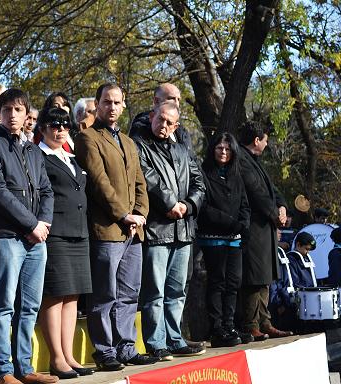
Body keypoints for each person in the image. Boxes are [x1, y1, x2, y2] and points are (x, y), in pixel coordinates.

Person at [0, 89, 57, 384]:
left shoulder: (34, 150)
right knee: (3, 304)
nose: (12, 115)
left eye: (18, 110)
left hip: (36, 238)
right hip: (7, 236)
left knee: (30, 306)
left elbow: (47, 190)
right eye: (6, 109)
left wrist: (44, 223)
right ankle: (3, 371)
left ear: (27, 115)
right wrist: (32, 224)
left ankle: (25, 367)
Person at [74, 83, 155, 371]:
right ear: (97, 104)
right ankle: (105, 349)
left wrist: (141, 213)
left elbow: (140, 183)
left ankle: (126, 347)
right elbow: (99, 183)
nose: (112, 107)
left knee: (129, 293)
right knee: (104, 293)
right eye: (106, 102)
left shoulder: (129, 142)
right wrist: (124, 215)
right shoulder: (87, 138)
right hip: (107, 229)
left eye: (117, 102)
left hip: (134, 230)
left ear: (123, 106)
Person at [132, 101, 206, 361]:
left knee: (177, 290)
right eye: (159, 119)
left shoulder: (182, 150)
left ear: (176, 126)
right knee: (155, 291)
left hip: (183, 230)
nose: (163, 125)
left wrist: (187, 205)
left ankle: (175, 339)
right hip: (157, 229)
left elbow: (199, 182)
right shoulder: (140, 146)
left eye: (169, 122)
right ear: (152, 116)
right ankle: (156, 342)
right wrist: (170, 204)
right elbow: (147, 177)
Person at [36, 108, 94, 379]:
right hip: (55, 233)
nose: (59, 129)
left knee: (73, 295)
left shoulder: (71, 157)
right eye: (53, 124)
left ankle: (69, 355)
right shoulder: (38, 155)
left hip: (79, 232)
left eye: (64, 125)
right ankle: (56, 358)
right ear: (42, 128)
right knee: (55, 295)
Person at [238, 120, 292, 340]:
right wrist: (274, 215)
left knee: (266, 276)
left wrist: (282, 207)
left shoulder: (256, 161)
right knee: (254, 277)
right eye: (266, 140)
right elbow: (256, 193)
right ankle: (251, 324)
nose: (267, 145)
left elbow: (273, 191)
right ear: (257, 140)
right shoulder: (242, 159)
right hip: (253, 228)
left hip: (266, 229)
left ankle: (265, 321)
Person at [196, 132, 251, 347]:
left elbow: (245, 205)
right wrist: (231, 223)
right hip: (213, 238)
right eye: (220, 148)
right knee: (217, 282)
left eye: (228, 149)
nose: (224, 152)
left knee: (233, 283)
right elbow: (205, 208)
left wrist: (243, 225)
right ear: (213, 150)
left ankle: (229, 324)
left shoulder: (236, 175)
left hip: (234, 239)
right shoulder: (203, 173)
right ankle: (217, 327)